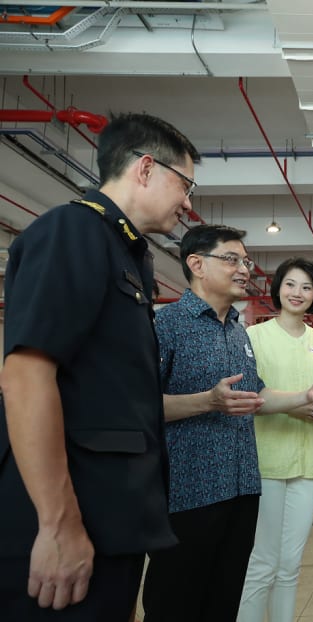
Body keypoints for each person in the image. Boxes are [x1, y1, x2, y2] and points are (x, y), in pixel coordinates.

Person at [0, 113, 198, 619]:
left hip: (109, 520)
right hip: (71, 522)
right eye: (186, 184)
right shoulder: (74, 231)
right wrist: (57, 524)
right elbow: (26, 374)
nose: (188, 204)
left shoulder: (125, 251)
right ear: (146, 168)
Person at [142, 228, 313, 622]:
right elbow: (135, 406)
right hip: (189, 491)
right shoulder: (166, 325)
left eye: (246, 262)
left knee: (225, 597)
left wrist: (306, 397)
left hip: (242, 487)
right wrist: (207, 401)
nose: (243, 270)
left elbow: (258, 396)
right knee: (178, 601)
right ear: (197, 264)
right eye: (232, 260)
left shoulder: (237, 333)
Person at [238, 257, 313, 622]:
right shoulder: (253, 336)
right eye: (291, 284)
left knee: (291, 563)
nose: (297, 293)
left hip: (306, 465)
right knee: (262, 562)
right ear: (278, 288)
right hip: (264, 462)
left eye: (306, 287)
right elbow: (249, 396)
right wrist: (296, 405)